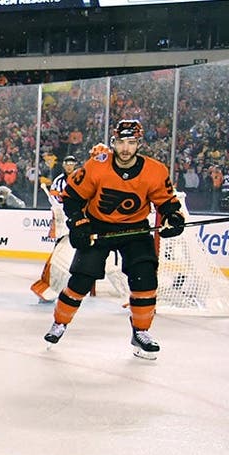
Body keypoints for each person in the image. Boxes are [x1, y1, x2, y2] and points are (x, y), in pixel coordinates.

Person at [43, 120, 184, 360]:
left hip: (135, 229)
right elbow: (73, 197)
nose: (126, 148)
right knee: (81, 279)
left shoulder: (156, 170)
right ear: (113, 143)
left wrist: (174, 217)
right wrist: (78, 222)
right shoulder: (97, 166)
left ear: (139, 144)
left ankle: (141, 332)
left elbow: (167, 202)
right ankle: (60, 323)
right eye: (121, 142)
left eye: (131, 142)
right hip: (99, 226)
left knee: (145, 278)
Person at [30, 154, 79, 302]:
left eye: (72, 163)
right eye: (67, 163)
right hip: (64, 222)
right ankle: (52, 287)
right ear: (64, 165)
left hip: (78, 219)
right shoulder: (59, 181)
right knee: (61, 254)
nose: (69, 166)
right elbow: (55, 198)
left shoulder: (80, 177)